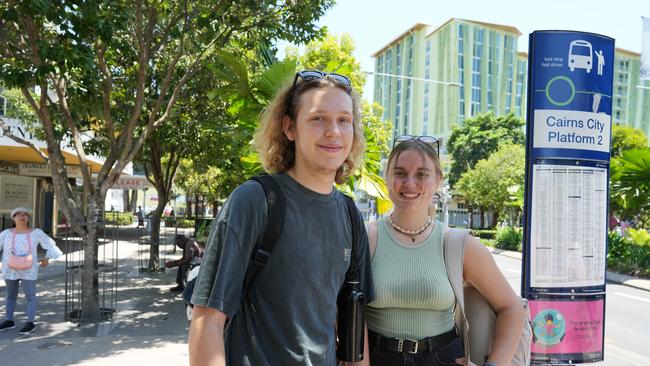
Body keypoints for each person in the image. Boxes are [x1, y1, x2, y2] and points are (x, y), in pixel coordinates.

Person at [188, 70, 374, 365]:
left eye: (344, 120)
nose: (334, 132)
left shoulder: (350, 215)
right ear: (290, 128)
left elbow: (355, 324)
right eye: (317, 118)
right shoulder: (255, 201)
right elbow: (206, 319)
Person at [365, 136, 526, 366]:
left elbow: (512, 308)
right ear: (387, 177)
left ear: (438, 180)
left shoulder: (458, 244)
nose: (410, 182)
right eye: (400, 172)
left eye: (422, 174)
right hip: (375, 358)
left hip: (441, 358)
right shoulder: (365, 238)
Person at [0, 207, 63, 335]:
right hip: (10, 268)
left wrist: (47, 257)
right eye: (18, 215)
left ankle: (30, 323)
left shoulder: (36, 233)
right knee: (10, 295)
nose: (22, 217)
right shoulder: (6, 233)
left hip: (29, 269)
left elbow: (50, 244)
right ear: (13, 217)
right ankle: (9, 320)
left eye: (25, 215)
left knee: (30, 295)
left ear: (28, 218)